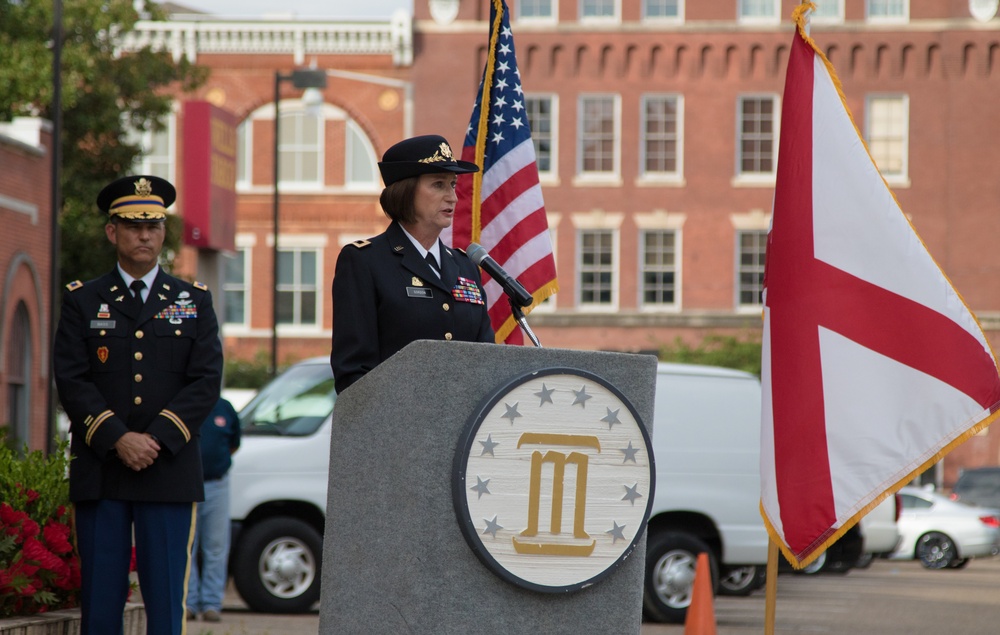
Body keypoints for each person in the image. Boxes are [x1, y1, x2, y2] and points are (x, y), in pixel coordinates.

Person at [53, 174, 223, 635]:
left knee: (166, 608)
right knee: (101, 607)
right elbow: (71, 378)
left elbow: (206, 381)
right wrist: (118, 439)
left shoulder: (192, 301)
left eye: (153, 225)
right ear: (113, 232)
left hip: (167, 471)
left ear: (163, 231)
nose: (144, 235)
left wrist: (156, 440)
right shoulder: (82, 301)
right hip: (102, 470)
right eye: (132, 225)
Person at [330, 134, 494, 391]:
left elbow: (488, 361)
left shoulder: (466, 267)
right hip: (397, 426)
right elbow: (354, 374)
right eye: (438, 185)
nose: (452, 196)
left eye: (453, 184)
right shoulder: (365, 261)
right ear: (405, 192)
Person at [186, 397, 241, 623]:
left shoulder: (224, 407)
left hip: (217, 485)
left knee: (216, 547)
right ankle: (188, 603)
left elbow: (234, 443)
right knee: (188, 546)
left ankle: (211, 604)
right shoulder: (186, 403)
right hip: (187, 485)